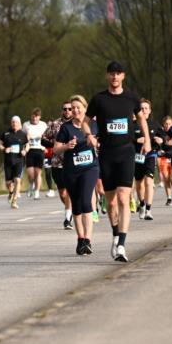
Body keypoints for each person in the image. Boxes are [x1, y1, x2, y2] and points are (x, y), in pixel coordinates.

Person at [86, 61, 151, 262]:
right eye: (112, 74)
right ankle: (115, 235)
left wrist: (147, 139)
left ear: (123, 76)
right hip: (106, 153)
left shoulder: (131, 97)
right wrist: (89, 135)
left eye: (118, 74)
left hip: (126, 151)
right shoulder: (99, 99)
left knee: (124, 197)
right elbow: (86, 122)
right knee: (111, 201)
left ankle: (122, 244)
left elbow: (141, 119)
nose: (115, 77)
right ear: (107, 76)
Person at [54, 95, 100, 255]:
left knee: (86, 201)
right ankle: (80, 239)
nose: (75, 110)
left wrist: (98, 143)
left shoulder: (94, 125)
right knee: (77, 205)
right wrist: (66, 146)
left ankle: (88, 240)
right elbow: (55, 149)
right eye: (72, 108)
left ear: (85, 108)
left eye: (78, 107)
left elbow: (102, 141)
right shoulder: (66, 128)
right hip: (71, 170)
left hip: (90, 168)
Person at [42, 101, 75, 229]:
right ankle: (69, 210)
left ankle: (68, 218)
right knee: (62, 193)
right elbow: (43, 139)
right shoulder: (55, 124)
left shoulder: (77, 123)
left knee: (69, 191)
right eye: (65, 109)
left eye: (70, 109)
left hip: (72, 162)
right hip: (57, 162)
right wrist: (55, 146)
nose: (67, 111)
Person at [133, 99, 163, 221]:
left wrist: (161, 140)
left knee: (149, 182)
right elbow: (126, 139)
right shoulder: (133, 124)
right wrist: (136, 141)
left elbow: (163, 136)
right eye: (142, 108)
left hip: (151, 155)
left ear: (150, 111)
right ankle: (142, 204)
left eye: (146, 108)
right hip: (137, 157)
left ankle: (149, 210)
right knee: (139, 183)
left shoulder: (154, 124)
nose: (144, 110)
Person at [0, 116, 27, 209]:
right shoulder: (6, 134)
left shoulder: (23, 134)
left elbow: (27, 144)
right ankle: (11, 192)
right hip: (8, 161)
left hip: (19, 160)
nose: (14, 124)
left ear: (19, 123)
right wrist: (4, 149)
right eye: (13, 122)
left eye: (16, 122)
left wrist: (25, 151)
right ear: (11, 123)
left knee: (17, 180)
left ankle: (14, 201)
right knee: (8, 183)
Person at [22, 108, 48, 199]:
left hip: (39, 149)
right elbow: (22, 137)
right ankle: (31, 184)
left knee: (38, 173)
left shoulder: (43, 125)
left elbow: (47, 137)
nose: (34, 119)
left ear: (39, 117)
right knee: (30, 174)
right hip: (30, 150)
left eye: (36, 117)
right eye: (33, 117)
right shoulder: (26, 125)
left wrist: (45, 147)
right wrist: (27, 139)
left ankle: (37, 191)